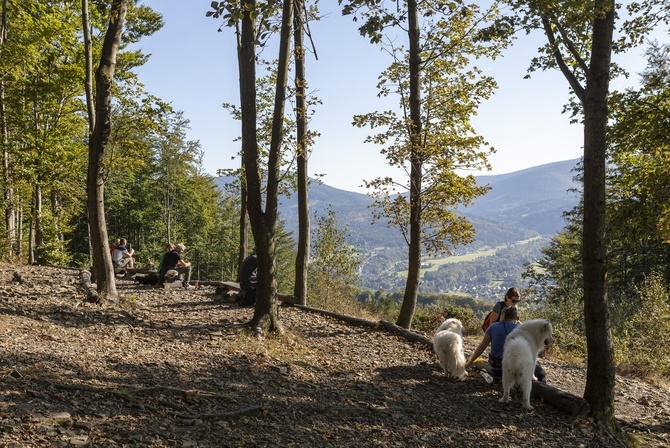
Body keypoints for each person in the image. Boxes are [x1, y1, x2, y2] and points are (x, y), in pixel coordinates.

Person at [465, 306, 546, 382]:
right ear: (515, 317)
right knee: (540, 372)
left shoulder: (493, 327)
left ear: (502, 315)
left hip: (495, 368)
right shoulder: (519, 330)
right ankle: (541, 394)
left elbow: (482, 345)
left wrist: (470, 362)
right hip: (511, 370)